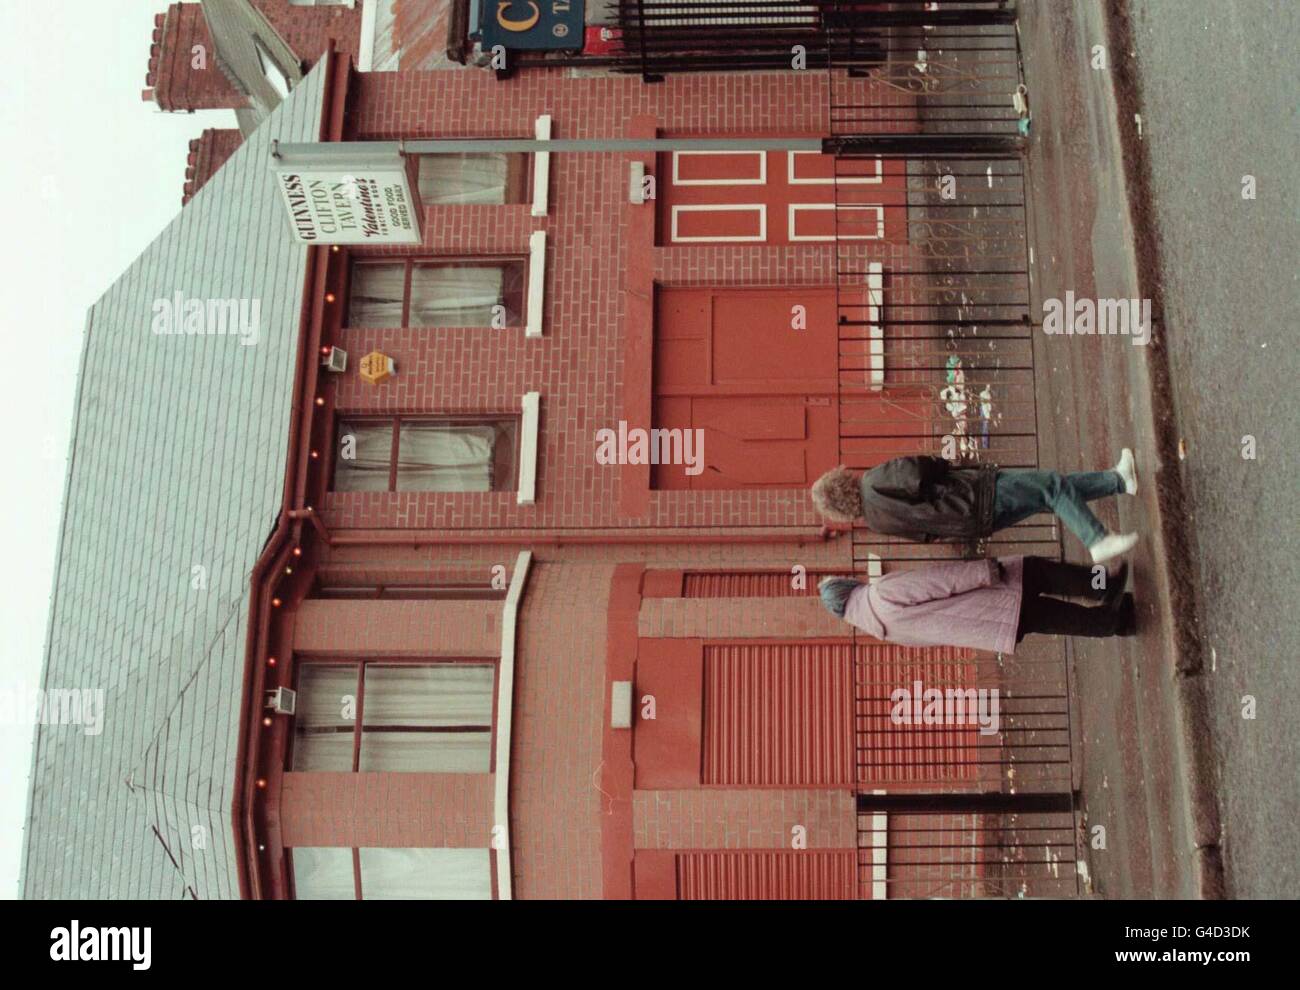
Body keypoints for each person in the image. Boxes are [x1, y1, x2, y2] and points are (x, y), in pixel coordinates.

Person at [810, 450, 1140, 564]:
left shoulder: (876, 522)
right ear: (840, 480)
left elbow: (925, 537)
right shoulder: (872, 481)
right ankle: (1097, 539)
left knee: (1048, 494)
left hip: (973, 522)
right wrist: (946, 467)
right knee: (1051, 486)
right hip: (975, 492)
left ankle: (1118, 481)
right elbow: (920, 469)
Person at [817, 556, 1135, 654]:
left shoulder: (882, 630)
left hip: (991, 626)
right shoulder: (879, 594)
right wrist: (983, 572)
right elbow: (938, 581)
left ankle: (1114, 622)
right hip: (992, 591)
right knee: (1050, 574)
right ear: (847, 586)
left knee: (1057, 619)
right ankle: (1104, 584)